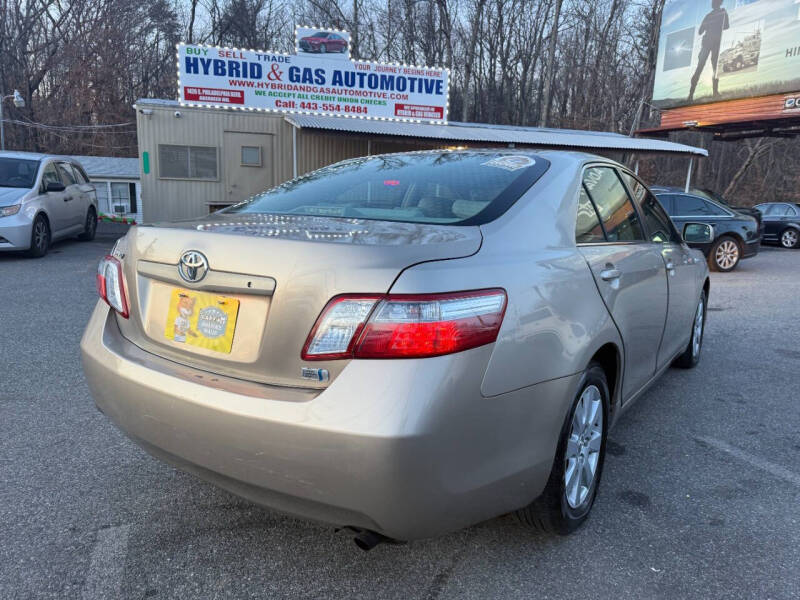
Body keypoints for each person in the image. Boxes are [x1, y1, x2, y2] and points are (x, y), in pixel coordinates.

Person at [688, 0, 730, 102]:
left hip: (709, 44)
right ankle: (695, 95)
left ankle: (691, 95)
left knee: (704, 68)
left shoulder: (710, 15)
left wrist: (709, 26)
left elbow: (700, 31)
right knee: (710, 69)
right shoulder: (721, 13)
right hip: (712, 44)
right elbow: (726, 26)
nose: (712, 3)